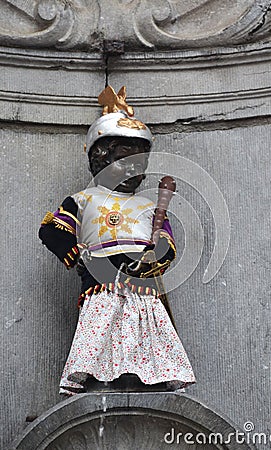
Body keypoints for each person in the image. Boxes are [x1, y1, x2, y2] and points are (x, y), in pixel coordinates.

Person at [39, 86, 195, 395]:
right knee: (101, 329)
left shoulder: (150, 206)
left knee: (146, 329)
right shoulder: (84, 199)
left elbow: (166, 242)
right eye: (125, 161)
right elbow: (53, 230)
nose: (134, 170)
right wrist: (78, 254)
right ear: (99, 160)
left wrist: (156, 257)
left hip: (141, 280)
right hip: (101, 276)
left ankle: (142, 377)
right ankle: (98, 379)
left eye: (140, 163)